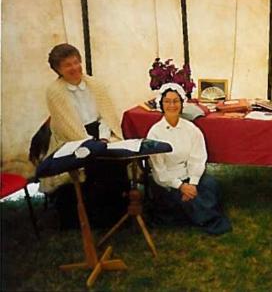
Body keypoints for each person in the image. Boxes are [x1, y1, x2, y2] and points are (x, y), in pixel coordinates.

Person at [42, 43, 128, 228]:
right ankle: (94, 220)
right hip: (71, 137)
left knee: (115, 161)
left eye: (76, 62)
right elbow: (67, 125)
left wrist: (104, 138)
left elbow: (107, 115)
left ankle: (118, 216)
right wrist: (91, 145)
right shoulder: (54, 92)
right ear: (58, 70)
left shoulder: (95, 84)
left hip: (101, 133)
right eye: (67, 65)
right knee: (91, 164)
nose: (74, 68)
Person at [147, 83, 231, 235]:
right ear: (161, 103)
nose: (172, 105)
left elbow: (197, 159)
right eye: (167, 101)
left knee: (211, 185)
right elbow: (159, 171)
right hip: (168, 181)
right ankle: (208, 218)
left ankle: (197, 214)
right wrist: (181, 186)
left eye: (175, 101)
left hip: (188, 175)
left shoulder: (191, 129)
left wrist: (192, 183)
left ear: (181, 103)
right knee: (189, 199)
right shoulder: (155, 133)